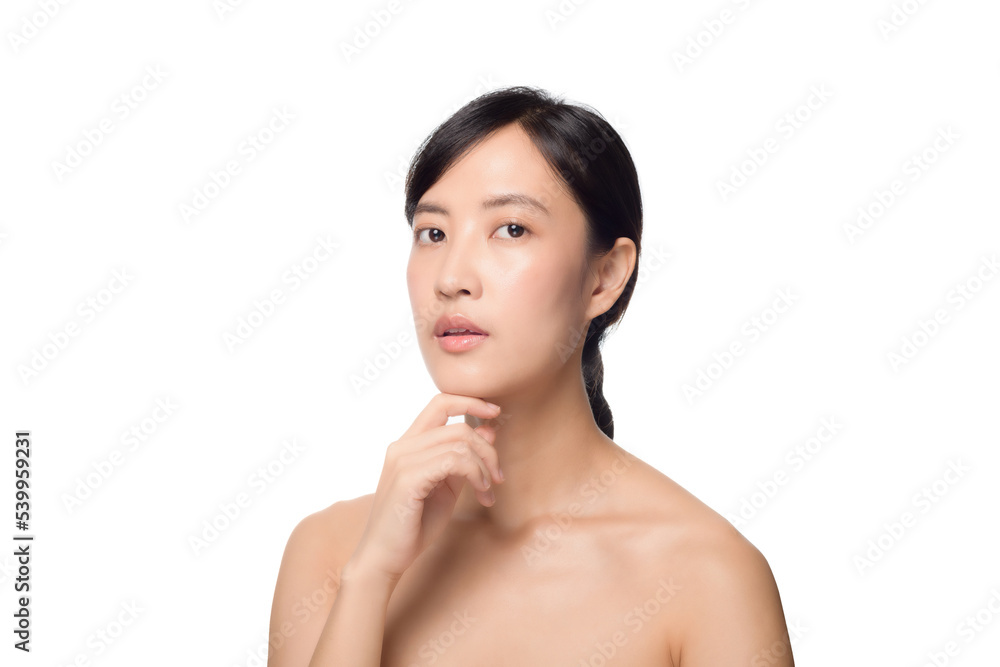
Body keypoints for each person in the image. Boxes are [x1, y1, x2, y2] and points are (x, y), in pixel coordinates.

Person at [267, 85, 795, 666]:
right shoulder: (333, 553)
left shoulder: (707, 575)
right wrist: (371, 577)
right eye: (433, 233)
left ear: (605, 277)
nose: (451, 278)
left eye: (511, 229)